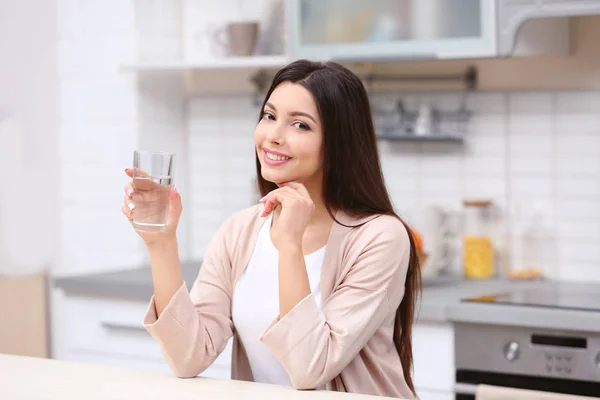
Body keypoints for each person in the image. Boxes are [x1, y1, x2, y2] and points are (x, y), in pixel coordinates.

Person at [121, 59, 421, 399]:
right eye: (269, 116)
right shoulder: (240, 231)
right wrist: (161, 241)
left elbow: (309, 368)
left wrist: (290, 245)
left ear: (339, 143)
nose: (273, 136)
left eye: (301, 125)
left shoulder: (380, 237)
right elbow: (188, 356)